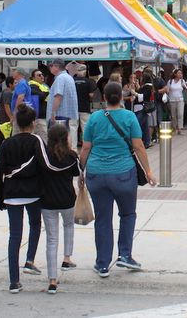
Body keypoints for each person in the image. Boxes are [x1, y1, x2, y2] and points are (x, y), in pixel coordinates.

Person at [80, 82, 156, 277]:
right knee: (128, 214)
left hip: (97, 173)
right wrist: (148, 171)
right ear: (121, 97)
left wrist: (81, 170)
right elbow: (138, 146)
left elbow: (86, 147)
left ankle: (103, 263)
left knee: (103, 219)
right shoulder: (129, 117)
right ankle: (125, 255)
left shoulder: (95, 118)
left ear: (104, 97)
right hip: (123, 173)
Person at [0, 103, 43, 293]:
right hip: (33, 192)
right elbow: (44, 166)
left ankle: (14, 280)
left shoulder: (7, 143)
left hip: (12, 194)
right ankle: (29, 260)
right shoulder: (36, 141)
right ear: (33, 123)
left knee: (15, 235)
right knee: (35, 225)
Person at [39, 123, 80, 294]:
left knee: (51, 239)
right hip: (67, 199)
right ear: (66, 138)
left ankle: (52, 279)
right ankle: (67, 257)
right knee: (69, 226)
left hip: (47, 200)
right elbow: (78, 173)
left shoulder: (43, 156)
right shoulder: (71, 156)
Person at [73, 64, 97, 146]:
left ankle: (73, 148)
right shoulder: (88, 81)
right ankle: (86, 147)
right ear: (85, 71)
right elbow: (91, 95)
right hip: (85, 107)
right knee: (85, 128)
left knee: (73, 128)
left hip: (73, 108)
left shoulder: (72, 80)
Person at [29, 69, 51, 138]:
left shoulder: (44, 86)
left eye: (42, 75)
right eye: (39, 75)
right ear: (33, 78)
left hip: (43, 117)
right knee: (44, 137)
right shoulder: (32, 85)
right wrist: (47, 93)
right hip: (38, 118)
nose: (42, 76)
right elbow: (41, 96)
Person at [166, 69, 187, 135]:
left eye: (181, 73)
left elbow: (186, 88)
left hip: (180, 100)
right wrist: (167, 91)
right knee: (173, 115)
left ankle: (180, 129)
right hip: (172, 100)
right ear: (175, 74)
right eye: (179, 73)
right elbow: (167, 89)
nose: (180, 74)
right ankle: (174, 128)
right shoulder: (170, 81)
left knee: (180, 114)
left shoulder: (182, 81)